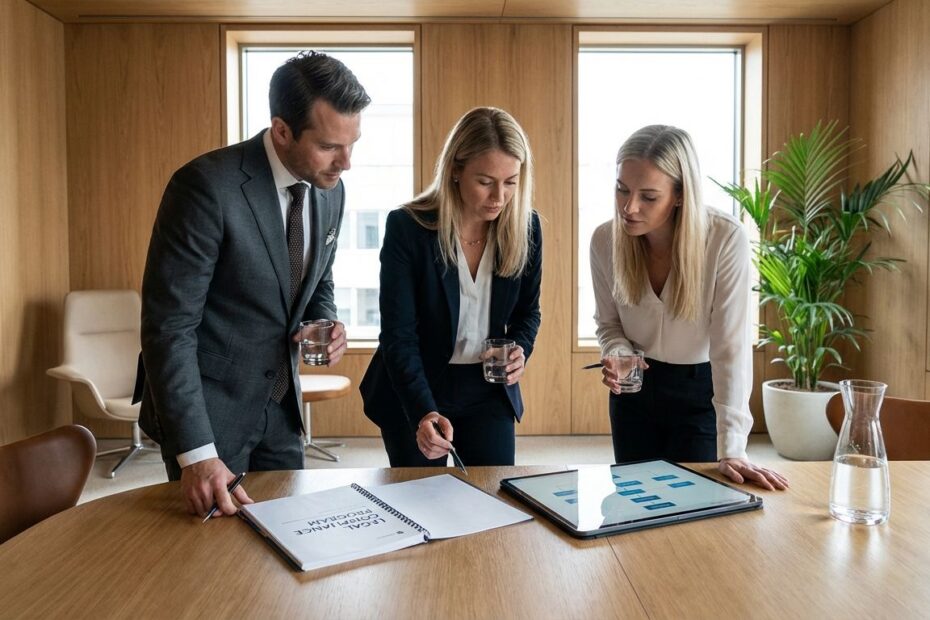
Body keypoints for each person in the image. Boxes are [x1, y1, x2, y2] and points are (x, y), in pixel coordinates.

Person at [138, 51, 370, 518]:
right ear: (282, 130)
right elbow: (169, 329)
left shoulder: (331, 190)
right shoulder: (204, 187)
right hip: (211, 415)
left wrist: (322, 319)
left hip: (283, 410)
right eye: (330, 146)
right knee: (212, 566)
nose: (346, 162)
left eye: (353, 143)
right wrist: (198, 454)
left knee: (290, 538)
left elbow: (317, 276)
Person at [590, 124, 788, 491]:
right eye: (622, 189)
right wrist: (617, 352)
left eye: (648, 196)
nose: (629, 207)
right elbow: (608, 324)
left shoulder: (725, 239)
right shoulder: (604, 240)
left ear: (680, 195)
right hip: (633, 393)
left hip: (700, 394)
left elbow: (730, 349)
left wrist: (733, 448)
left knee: (696, 507)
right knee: (633, 503)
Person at [360, 107, 542, 467]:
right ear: (456, 171)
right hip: (413, 385)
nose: (499, 197)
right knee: (419, 502)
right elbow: (399, 336)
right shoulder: (408, 227)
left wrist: (519, 350)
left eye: (511, 182)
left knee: (491, 500)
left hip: (487, 388)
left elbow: (528, 313)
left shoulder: (527, 227)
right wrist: (423, 411)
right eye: (485, 181)